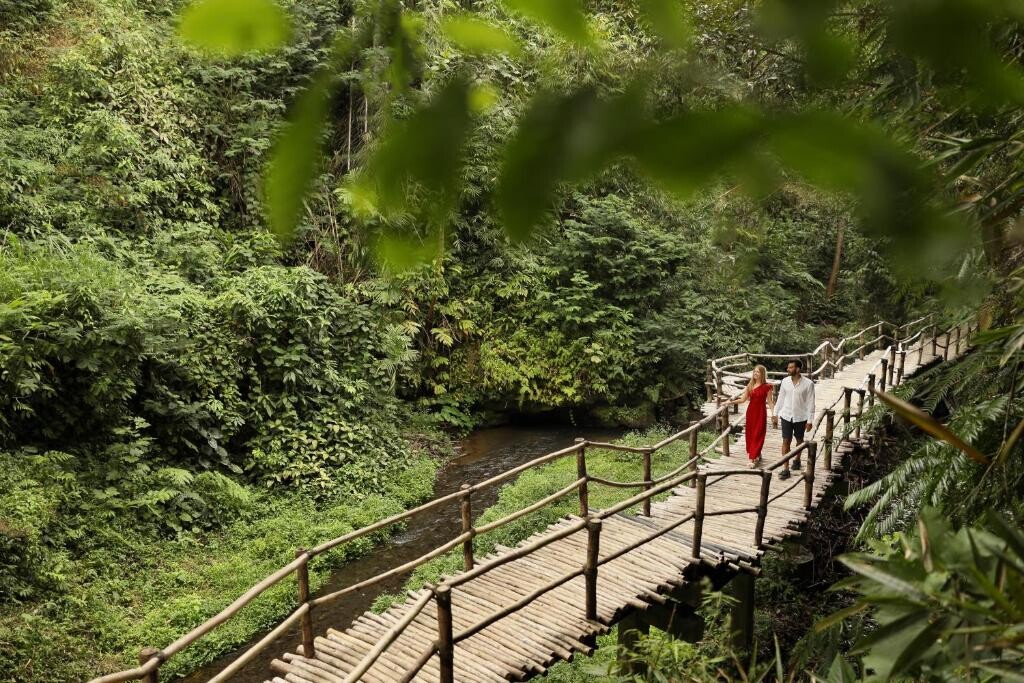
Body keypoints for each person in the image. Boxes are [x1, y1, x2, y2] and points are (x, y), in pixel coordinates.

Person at [773, 358, 816, 480]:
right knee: (786, 441)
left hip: (801, 417)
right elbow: (780, 398)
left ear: (798, 369)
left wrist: (810, 420)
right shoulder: (785, 381)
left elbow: (811, 403)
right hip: (786, 415)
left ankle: (797, 459)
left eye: (791, 367)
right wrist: (775, 413)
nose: (788, 369)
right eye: (788, 367)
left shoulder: (808, 384)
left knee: (799, 440)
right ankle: (785, 468)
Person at [726, 364, 774, 468]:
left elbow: (770, 402)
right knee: (751, 435)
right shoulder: (750, 385)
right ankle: (756, 454)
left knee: (758, 434)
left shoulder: (767, 386)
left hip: (761, 413)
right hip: (751, 413)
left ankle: (752, 459)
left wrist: (774, 414)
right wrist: (729, 402)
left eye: (758, 372)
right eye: (754, 371)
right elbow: (743, 400)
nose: (755, 373)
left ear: (762, 373)